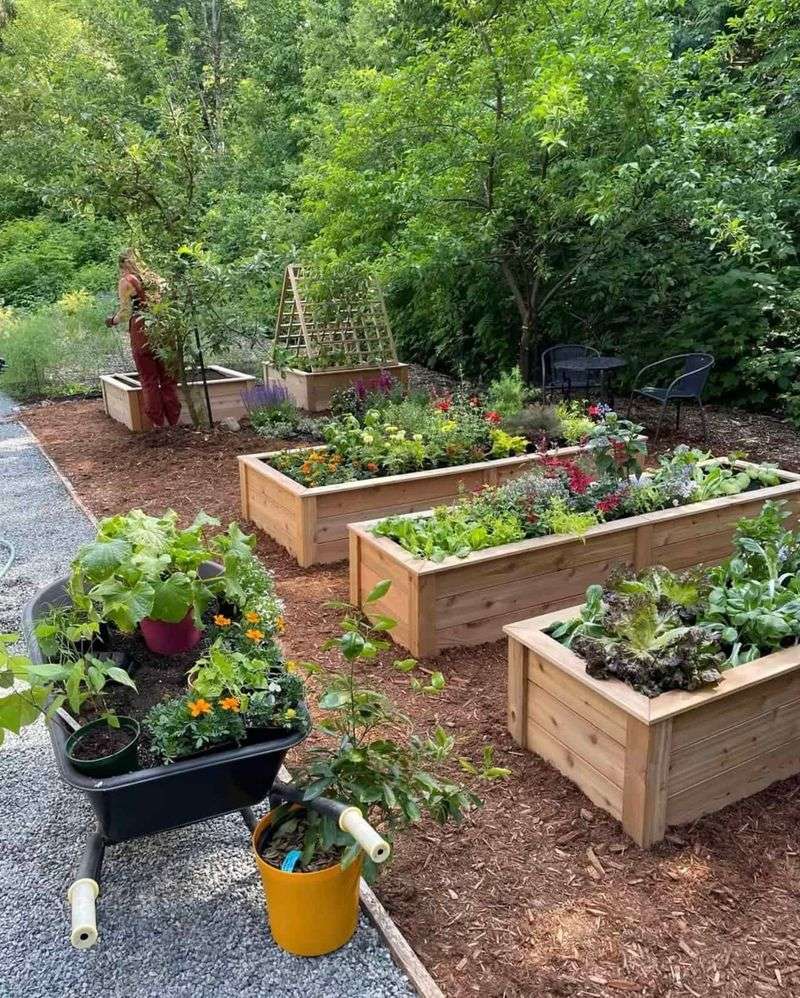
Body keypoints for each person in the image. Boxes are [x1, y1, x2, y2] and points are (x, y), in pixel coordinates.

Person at [106, 249, 181, 428]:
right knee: (168, 379)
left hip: (142, 331)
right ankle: (174, 422)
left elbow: (125, 313)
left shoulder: (127, 281)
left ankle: (157, 424)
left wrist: (111, 321)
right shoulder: (157, 279)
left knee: (149, 379)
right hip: (165, 329)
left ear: (123, 265)